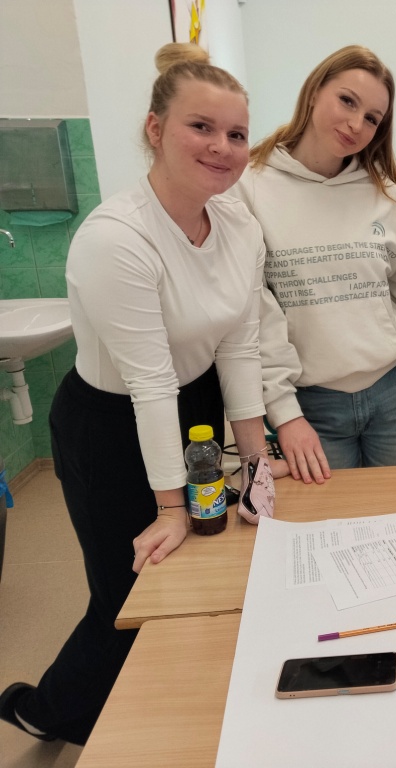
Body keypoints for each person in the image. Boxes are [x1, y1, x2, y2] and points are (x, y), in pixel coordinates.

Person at [0, 44, 288, 745]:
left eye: (237, 134)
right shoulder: (115, 238)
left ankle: (155, 709)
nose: (222, 147)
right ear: (155, 129)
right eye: (201, 127)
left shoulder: (238, 225)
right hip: (108, 422)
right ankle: (55, 714)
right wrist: (169, 507)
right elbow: (148, 383)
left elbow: (238, 345)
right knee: (130, 586)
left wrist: (256, 465)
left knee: (197, 570)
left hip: (192, 409)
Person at [233, 45, 396, 478]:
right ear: (314, 91)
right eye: (347, 101)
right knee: (330, 521)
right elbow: (253, 316)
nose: (356, 124)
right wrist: (284, 413)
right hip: (312, 407)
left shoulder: (381, 192)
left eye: (372, 118)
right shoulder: (249, 188)